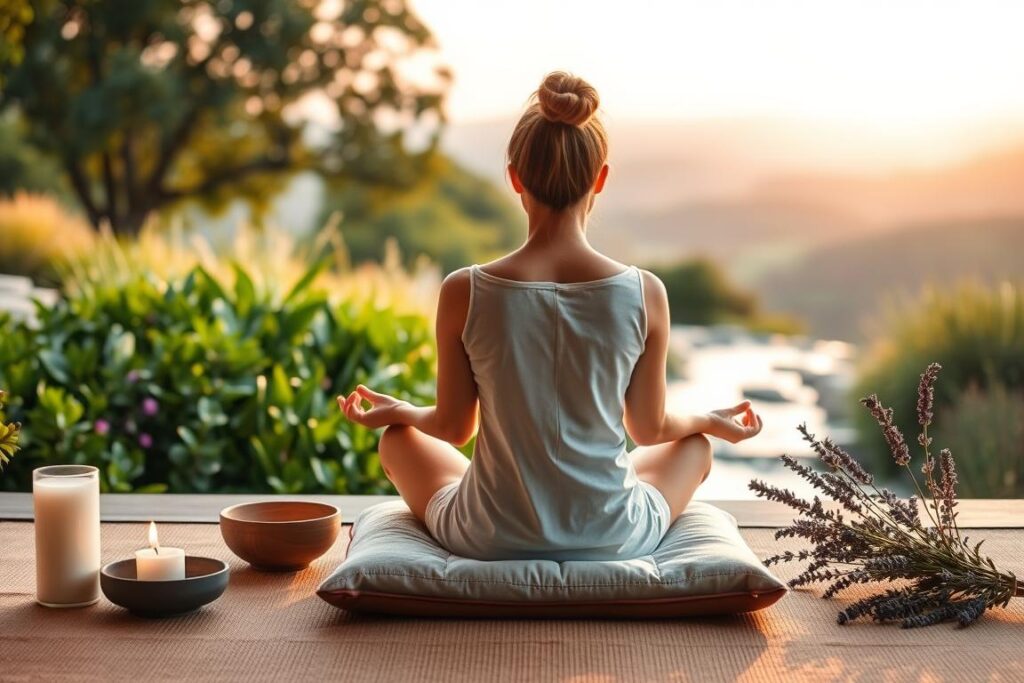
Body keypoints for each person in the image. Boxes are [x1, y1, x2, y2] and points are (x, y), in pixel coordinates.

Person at [338, 71, 762, 561]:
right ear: (600, 178)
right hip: (612, 535)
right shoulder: (645, 292)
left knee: (397, 441)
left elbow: (456, 429)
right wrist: (709, 420)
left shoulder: (464, 290)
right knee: (695, 446)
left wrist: (402, 412)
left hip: (489, 535)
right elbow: (648, 430)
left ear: (514, 177)